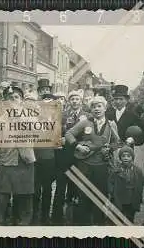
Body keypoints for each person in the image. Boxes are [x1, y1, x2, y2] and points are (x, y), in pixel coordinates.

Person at [65, 95, 121, 225]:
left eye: (99, 106)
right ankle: (83, 226)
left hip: (102, 166)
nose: (96, 109)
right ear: (90, 109)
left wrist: (110, 149)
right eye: (94, 106)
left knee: (100, 196)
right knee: (83, 195)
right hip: (84, 165)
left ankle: (99, 225)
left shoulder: (111, 124)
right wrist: (77, 146)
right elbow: (68, 134)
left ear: (105, 108)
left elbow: (118, 143)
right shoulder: (85, 122)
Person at [0, 85, 35, 226]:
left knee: (24, 194)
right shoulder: (2, 119)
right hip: (6, 160)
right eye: (11, 97)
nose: (13, 100)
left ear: (21, 100)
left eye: (17, 97)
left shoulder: (30, 116)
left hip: (24, 160)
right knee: (1, 194)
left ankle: (23, 222)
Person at [52, 90, 88, 224]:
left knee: (75, 187)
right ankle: (56, 217)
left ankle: (73, 217)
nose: (74, 101)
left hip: (79, 158)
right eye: (72, 99)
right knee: (60, 187)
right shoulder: (62, 115)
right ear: (69, 101)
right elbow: (54, 131)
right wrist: (59, 138)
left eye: (77, 99)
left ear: (81, 101)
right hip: (63, 156)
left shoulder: (87, 116)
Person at [108, 145, 144, 223]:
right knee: (119, 218)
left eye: (128, 156)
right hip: (120, 200)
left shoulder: (137, 171)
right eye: (123, 156)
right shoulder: (116, 171)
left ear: (132, 157)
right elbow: (110, 182)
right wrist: (111, 193)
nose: (126, 158)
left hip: (132, 200)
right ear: (120, 158)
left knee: (130, 219)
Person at [32, 93, 57, 225]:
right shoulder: (34, 119)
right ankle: (34, 214)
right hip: (35, 158)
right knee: (35, 189)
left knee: (47, 189)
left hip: (49, 158)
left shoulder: (57, 120)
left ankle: (45, 216)